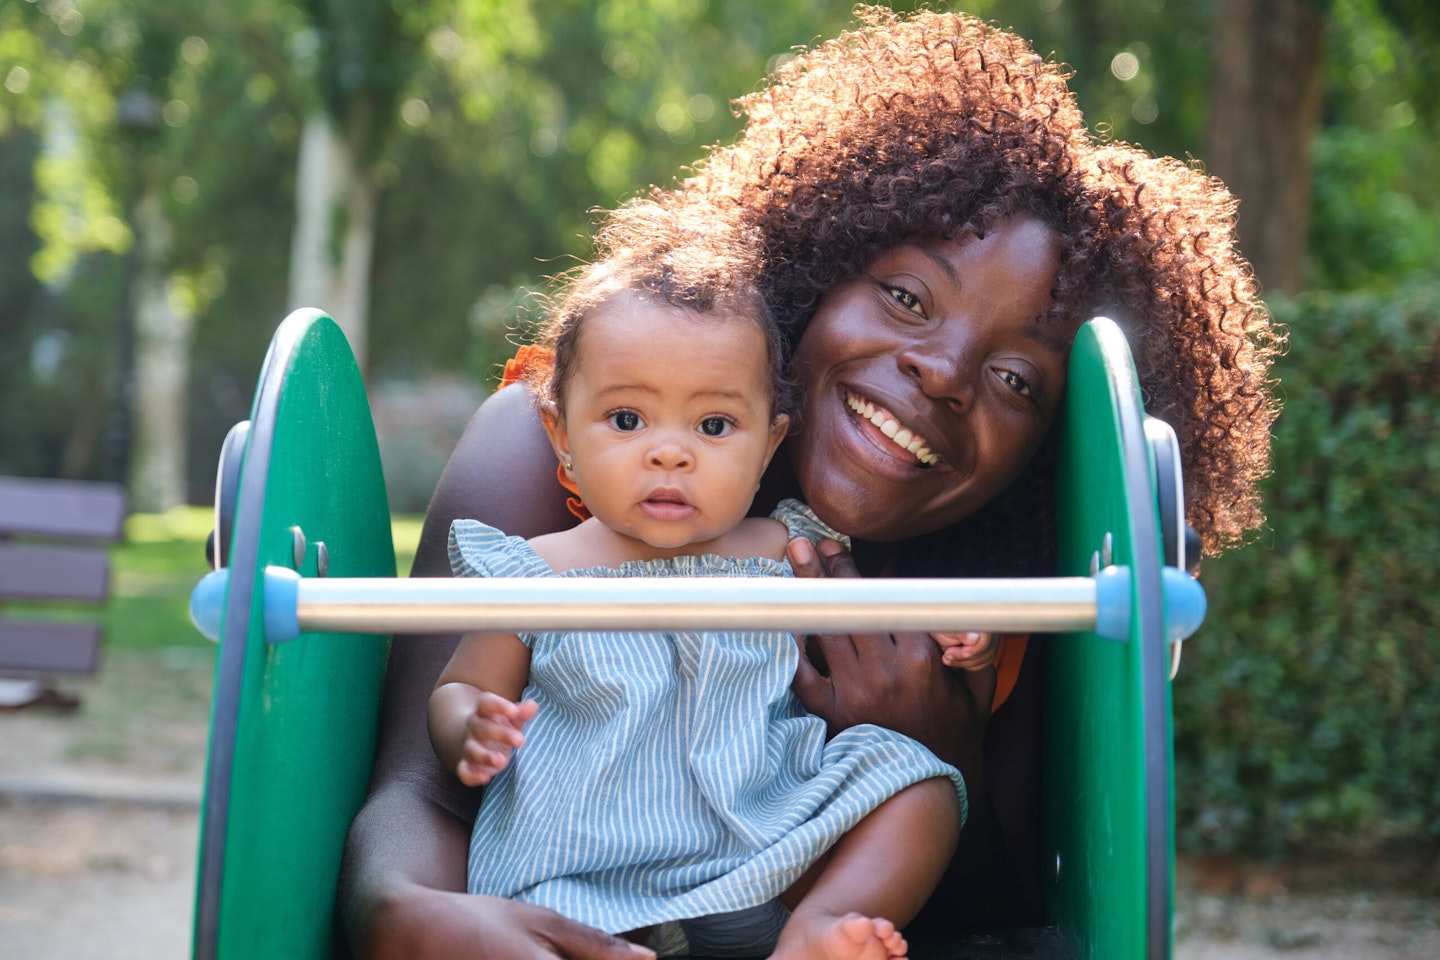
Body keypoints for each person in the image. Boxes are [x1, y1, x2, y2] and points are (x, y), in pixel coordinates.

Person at [339, 8, 1281, 958]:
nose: (945, 374)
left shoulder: (1013, 609)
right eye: (907, 297)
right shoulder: (546, 460)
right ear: (809, 273)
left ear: (1047, 454)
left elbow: (1021, 927)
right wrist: (403, 912)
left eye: (1014, 380)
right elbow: (422, 784)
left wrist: (939, 744)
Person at [428, 213, 973, 960]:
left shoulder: (788, 546)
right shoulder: (535, 571)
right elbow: (457, 690)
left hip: (760, 850)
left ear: (770, 442)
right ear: (562, 433)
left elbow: (886, 617)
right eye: (627, 418)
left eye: (714, 426)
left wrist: (961, 634)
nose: (670, 454)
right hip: (585, 873)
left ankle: (816, 931)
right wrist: (471, 727)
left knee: (922, 785)